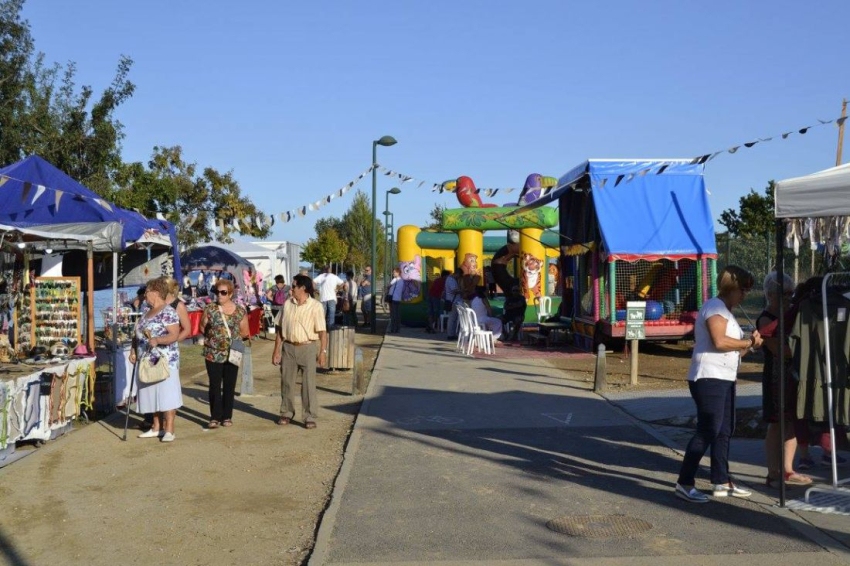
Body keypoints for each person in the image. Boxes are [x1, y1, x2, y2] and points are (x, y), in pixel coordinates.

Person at [674, 265, 763, 503]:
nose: (744, 295)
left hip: (724, 376)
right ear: (731, 288)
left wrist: (751, 345)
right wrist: (746, 342)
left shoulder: (727, 311)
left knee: (724, 430)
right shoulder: (715, 307)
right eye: (742, 290)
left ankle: (721, 480)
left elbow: (732, 351)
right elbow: (720, 342)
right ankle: (684, 482)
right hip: (709, 377)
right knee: (708, 429)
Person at [756, 271, 812, 488]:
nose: (789, 298)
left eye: (791, 293)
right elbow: (780, 350)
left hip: (794, 375)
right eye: (785, 294)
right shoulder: (765, 318)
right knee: (777, 424)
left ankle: (788, 469)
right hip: (775, 377)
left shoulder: (791, 315)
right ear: (771, 295)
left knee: (792, 422)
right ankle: (773, 472)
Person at [129, 278, 183, 442]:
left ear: (156, 293)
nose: (144, 295)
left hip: (165, 360)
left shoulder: (167, 311)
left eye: (147, 291)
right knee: (151, 393)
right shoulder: (146, 311)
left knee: (167, 394)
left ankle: (169, 429)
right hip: (146, 359)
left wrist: (158, 340)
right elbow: (137, 334)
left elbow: (174, 334)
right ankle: (156, 426)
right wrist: (133, 350)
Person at [272, 274, 327, 429]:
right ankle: (286, 412)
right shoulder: (287, 304)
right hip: (288, 347)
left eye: (294, 286)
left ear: (303, 288)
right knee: (287, 382)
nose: (292, 289)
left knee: (309, 384)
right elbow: (279, 329)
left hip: (308, 347)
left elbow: (323, 332)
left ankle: (309, 415)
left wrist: (322, 352)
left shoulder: (316, 306)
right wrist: (276, 350)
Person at [199, 279, 248, 429]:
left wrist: (232, 339)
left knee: (229, 384)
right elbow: (202, 327)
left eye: (223, 292)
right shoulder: (210, 309)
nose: (219, 295)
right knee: (214, 385)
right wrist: (214, 338)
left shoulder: (240, 311)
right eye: (217, 292)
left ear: (231, 294)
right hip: (213, 352)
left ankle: (227, 416)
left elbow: (245, 332)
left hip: (234, 351)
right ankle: (215, 417)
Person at [313, 265, 344, 329]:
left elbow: (313, 282)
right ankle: (330, 328)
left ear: (323, 270)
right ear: (330, 270)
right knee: (331, 314)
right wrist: (337, 289)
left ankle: (322, 328)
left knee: (322, 314)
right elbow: (342, 283)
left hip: (323, 298)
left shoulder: (321, 276)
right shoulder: (334, 276)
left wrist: (316, 290)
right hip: (332, 297)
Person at [443, 267, 463, 340]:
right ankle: (450, 334)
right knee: (452, 319)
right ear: (457, 274)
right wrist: (462, 290)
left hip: (452, 300)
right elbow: (454, 290)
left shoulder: (450, 279)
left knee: (453, 319)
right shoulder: (451, 280)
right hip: (453, 301)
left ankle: (453, 333)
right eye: (459, 276)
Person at [387, 268, 402, 333]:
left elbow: (389, 286)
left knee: (394, 315)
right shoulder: (400, 280)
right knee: (396, 314)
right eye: (393, 272)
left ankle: (394, 329)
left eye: (394, 272)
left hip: (394, 299)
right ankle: (396, 328)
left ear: (398, 273)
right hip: (397, 299)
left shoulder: (396, 280)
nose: (393, 273)